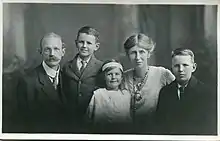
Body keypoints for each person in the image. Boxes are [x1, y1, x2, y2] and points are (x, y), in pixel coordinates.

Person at [156, 48, 217, 135]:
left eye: (185, 65)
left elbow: (209, 127)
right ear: (172, 68)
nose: (181, 69)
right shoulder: (165, 92)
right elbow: (160, 124)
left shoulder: (206, 93)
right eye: (176, 66)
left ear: (194, 67)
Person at [16, 32, 69, 133]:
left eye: (56, 49)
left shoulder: (68, 78)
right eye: (47, 49)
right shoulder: (27, 81)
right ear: (40, 52)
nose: (52, 54)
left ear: (63, 52)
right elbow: (23, 121)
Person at [122, 33, 175, 133]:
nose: (138, 57)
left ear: (149, 53)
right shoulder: (123, 77)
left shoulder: (162, 74)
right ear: (128, 55)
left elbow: (178, 98)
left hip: (155, 131)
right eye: (133, 53)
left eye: (142, 52)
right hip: (129, 131)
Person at [62, 26, 103, 132]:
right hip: (69, 119)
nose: (84, 46)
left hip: (92, 119)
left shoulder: (101, 67)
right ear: (76, 43)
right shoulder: (66, 66)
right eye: (81, 42)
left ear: (96, 46)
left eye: (89, 43)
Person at [86, 59, 132, 133]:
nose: (113, 77)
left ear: (122, 77)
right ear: (104, 77)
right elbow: (88, 118)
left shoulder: (126, 95)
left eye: (117, 74)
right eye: (110, 74)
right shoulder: (98, 94)